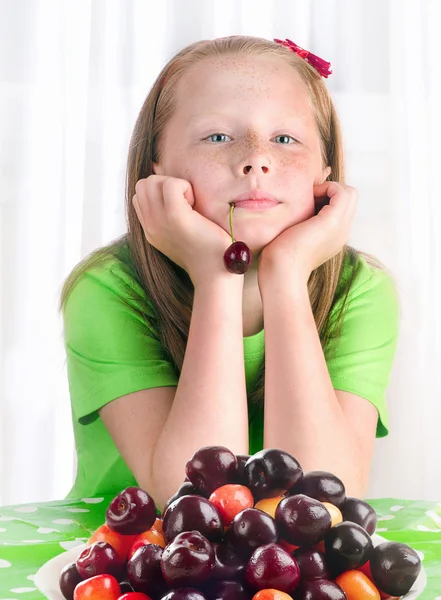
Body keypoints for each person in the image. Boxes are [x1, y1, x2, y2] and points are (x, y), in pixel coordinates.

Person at [59, 36, 399, 510]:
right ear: (157, 163)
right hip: (132, 566)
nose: (256, 158)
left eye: (285, 138)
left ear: (325, 164)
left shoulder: (361, 290)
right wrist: (217, 276)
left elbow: (318, 503)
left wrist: (286, 275)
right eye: (218, 136)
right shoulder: (106, 288)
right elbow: (195, 502)